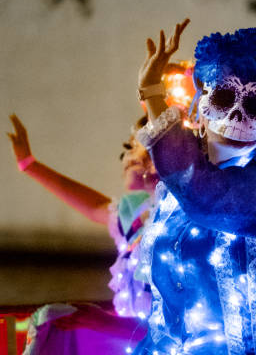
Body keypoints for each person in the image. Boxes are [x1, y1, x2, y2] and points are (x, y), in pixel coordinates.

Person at [133, 19, 256, 355]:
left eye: (254, 105)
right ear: (204, 100)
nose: (238, 116)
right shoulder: (173, 185)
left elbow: (205, 196)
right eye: (226, 97)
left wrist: (154, 95)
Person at [7, 114, 157, 354]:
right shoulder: (132, 212)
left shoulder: (184, 223)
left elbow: (182, 328)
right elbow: (94, 206)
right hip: (130, 339)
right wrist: (29, 164)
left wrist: (104, 322)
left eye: (132, 145)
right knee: (52, 319)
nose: (125, 157)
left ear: (163, 151)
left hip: (163, 344)